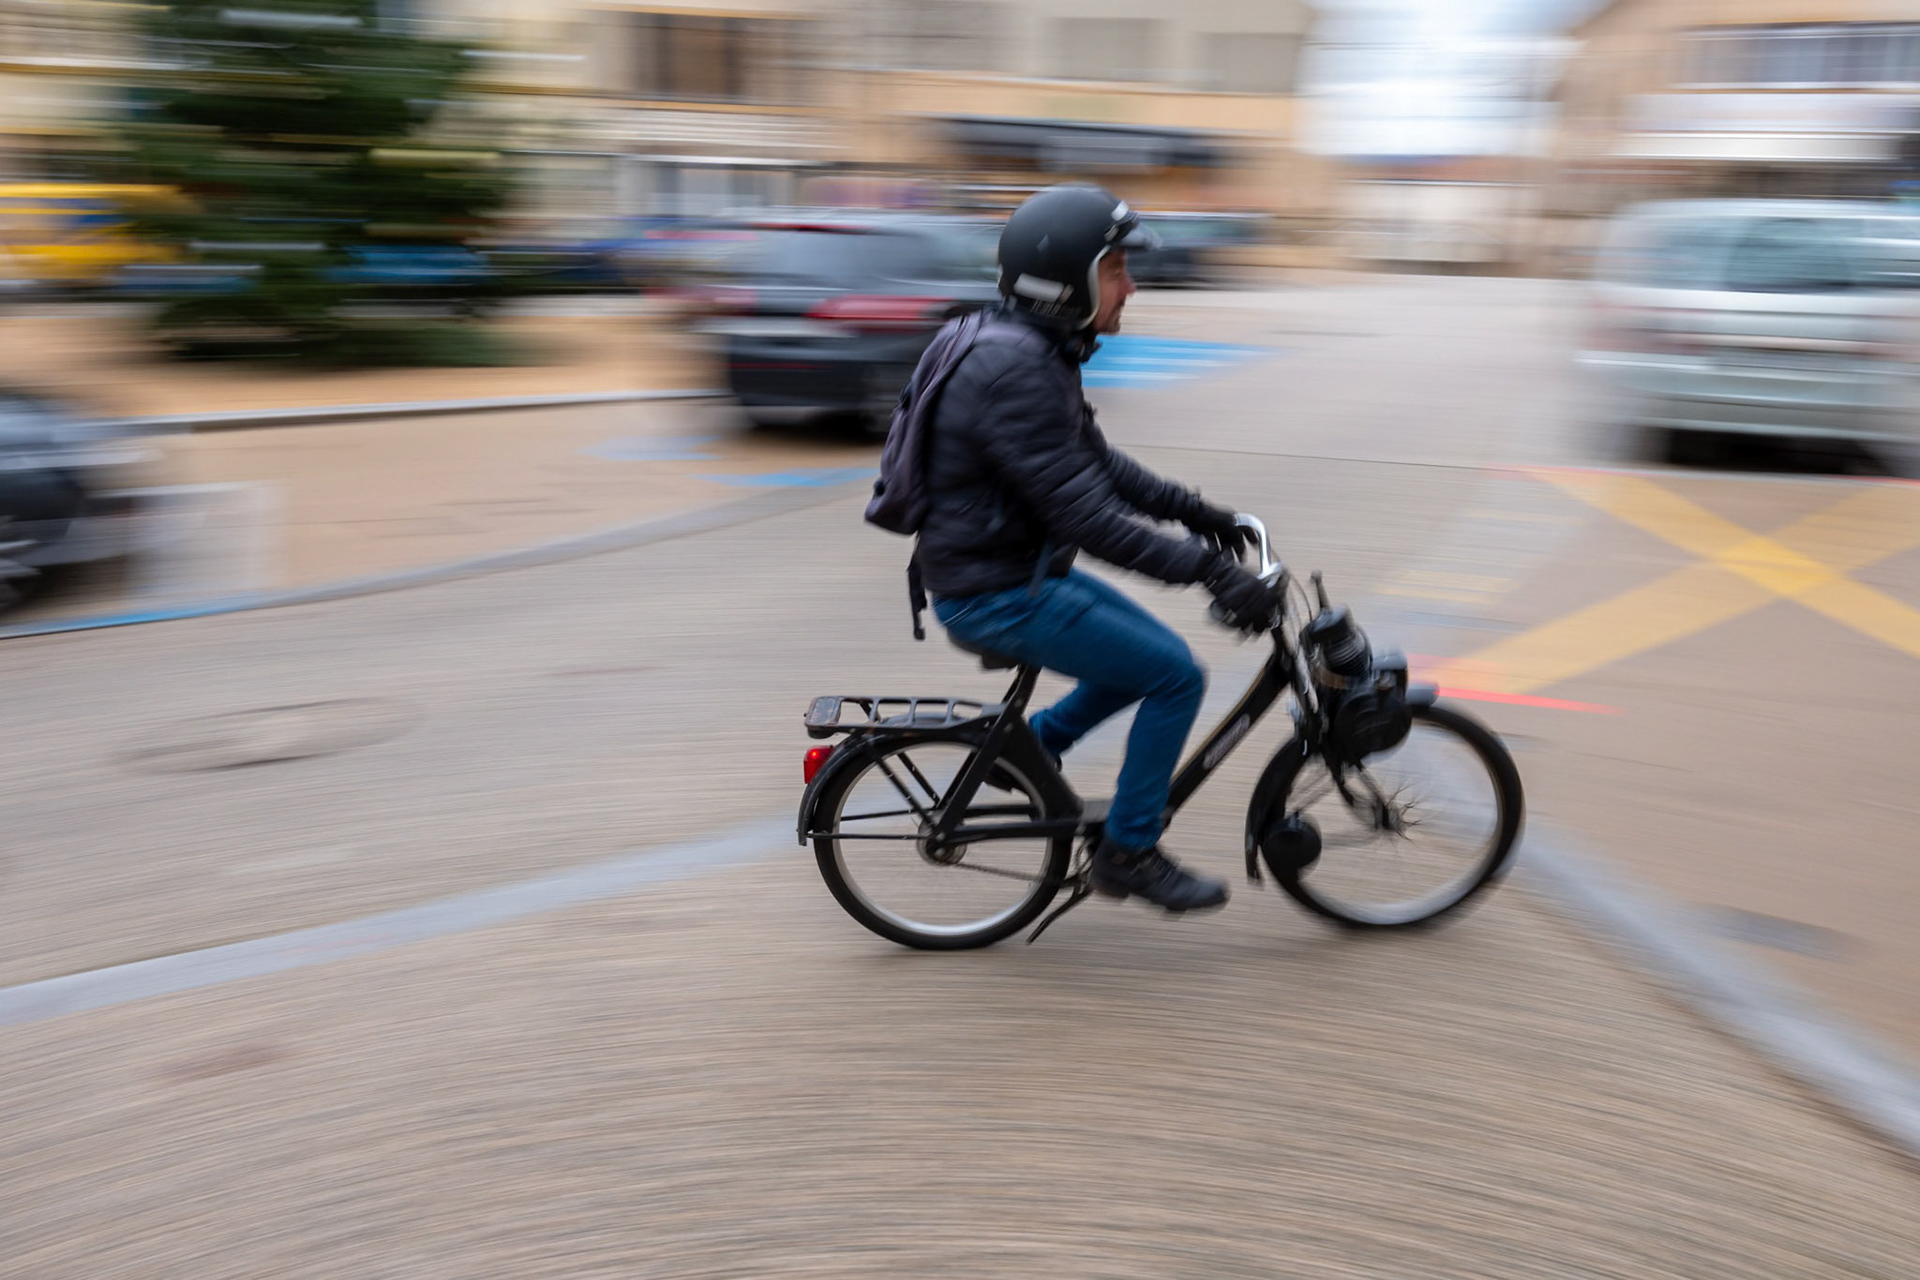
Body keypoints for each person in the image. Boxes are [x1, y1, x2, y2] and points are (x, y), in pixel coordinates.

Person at [915, 184, 1276, 914]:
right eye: (1116, 269)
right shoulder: (1015, 369)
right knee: (1174, 677)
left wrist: (1198, 512)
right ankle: (1129, 852)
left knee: (1147, 661)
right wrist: (1209, 571)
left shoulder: (1031, 349)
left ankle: (1031, 749)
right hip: (994, 591)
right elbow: (1089, 517)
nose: (1131, 285)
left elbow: (1099, 465)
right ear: (1066, 279)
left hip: (1016, 570)